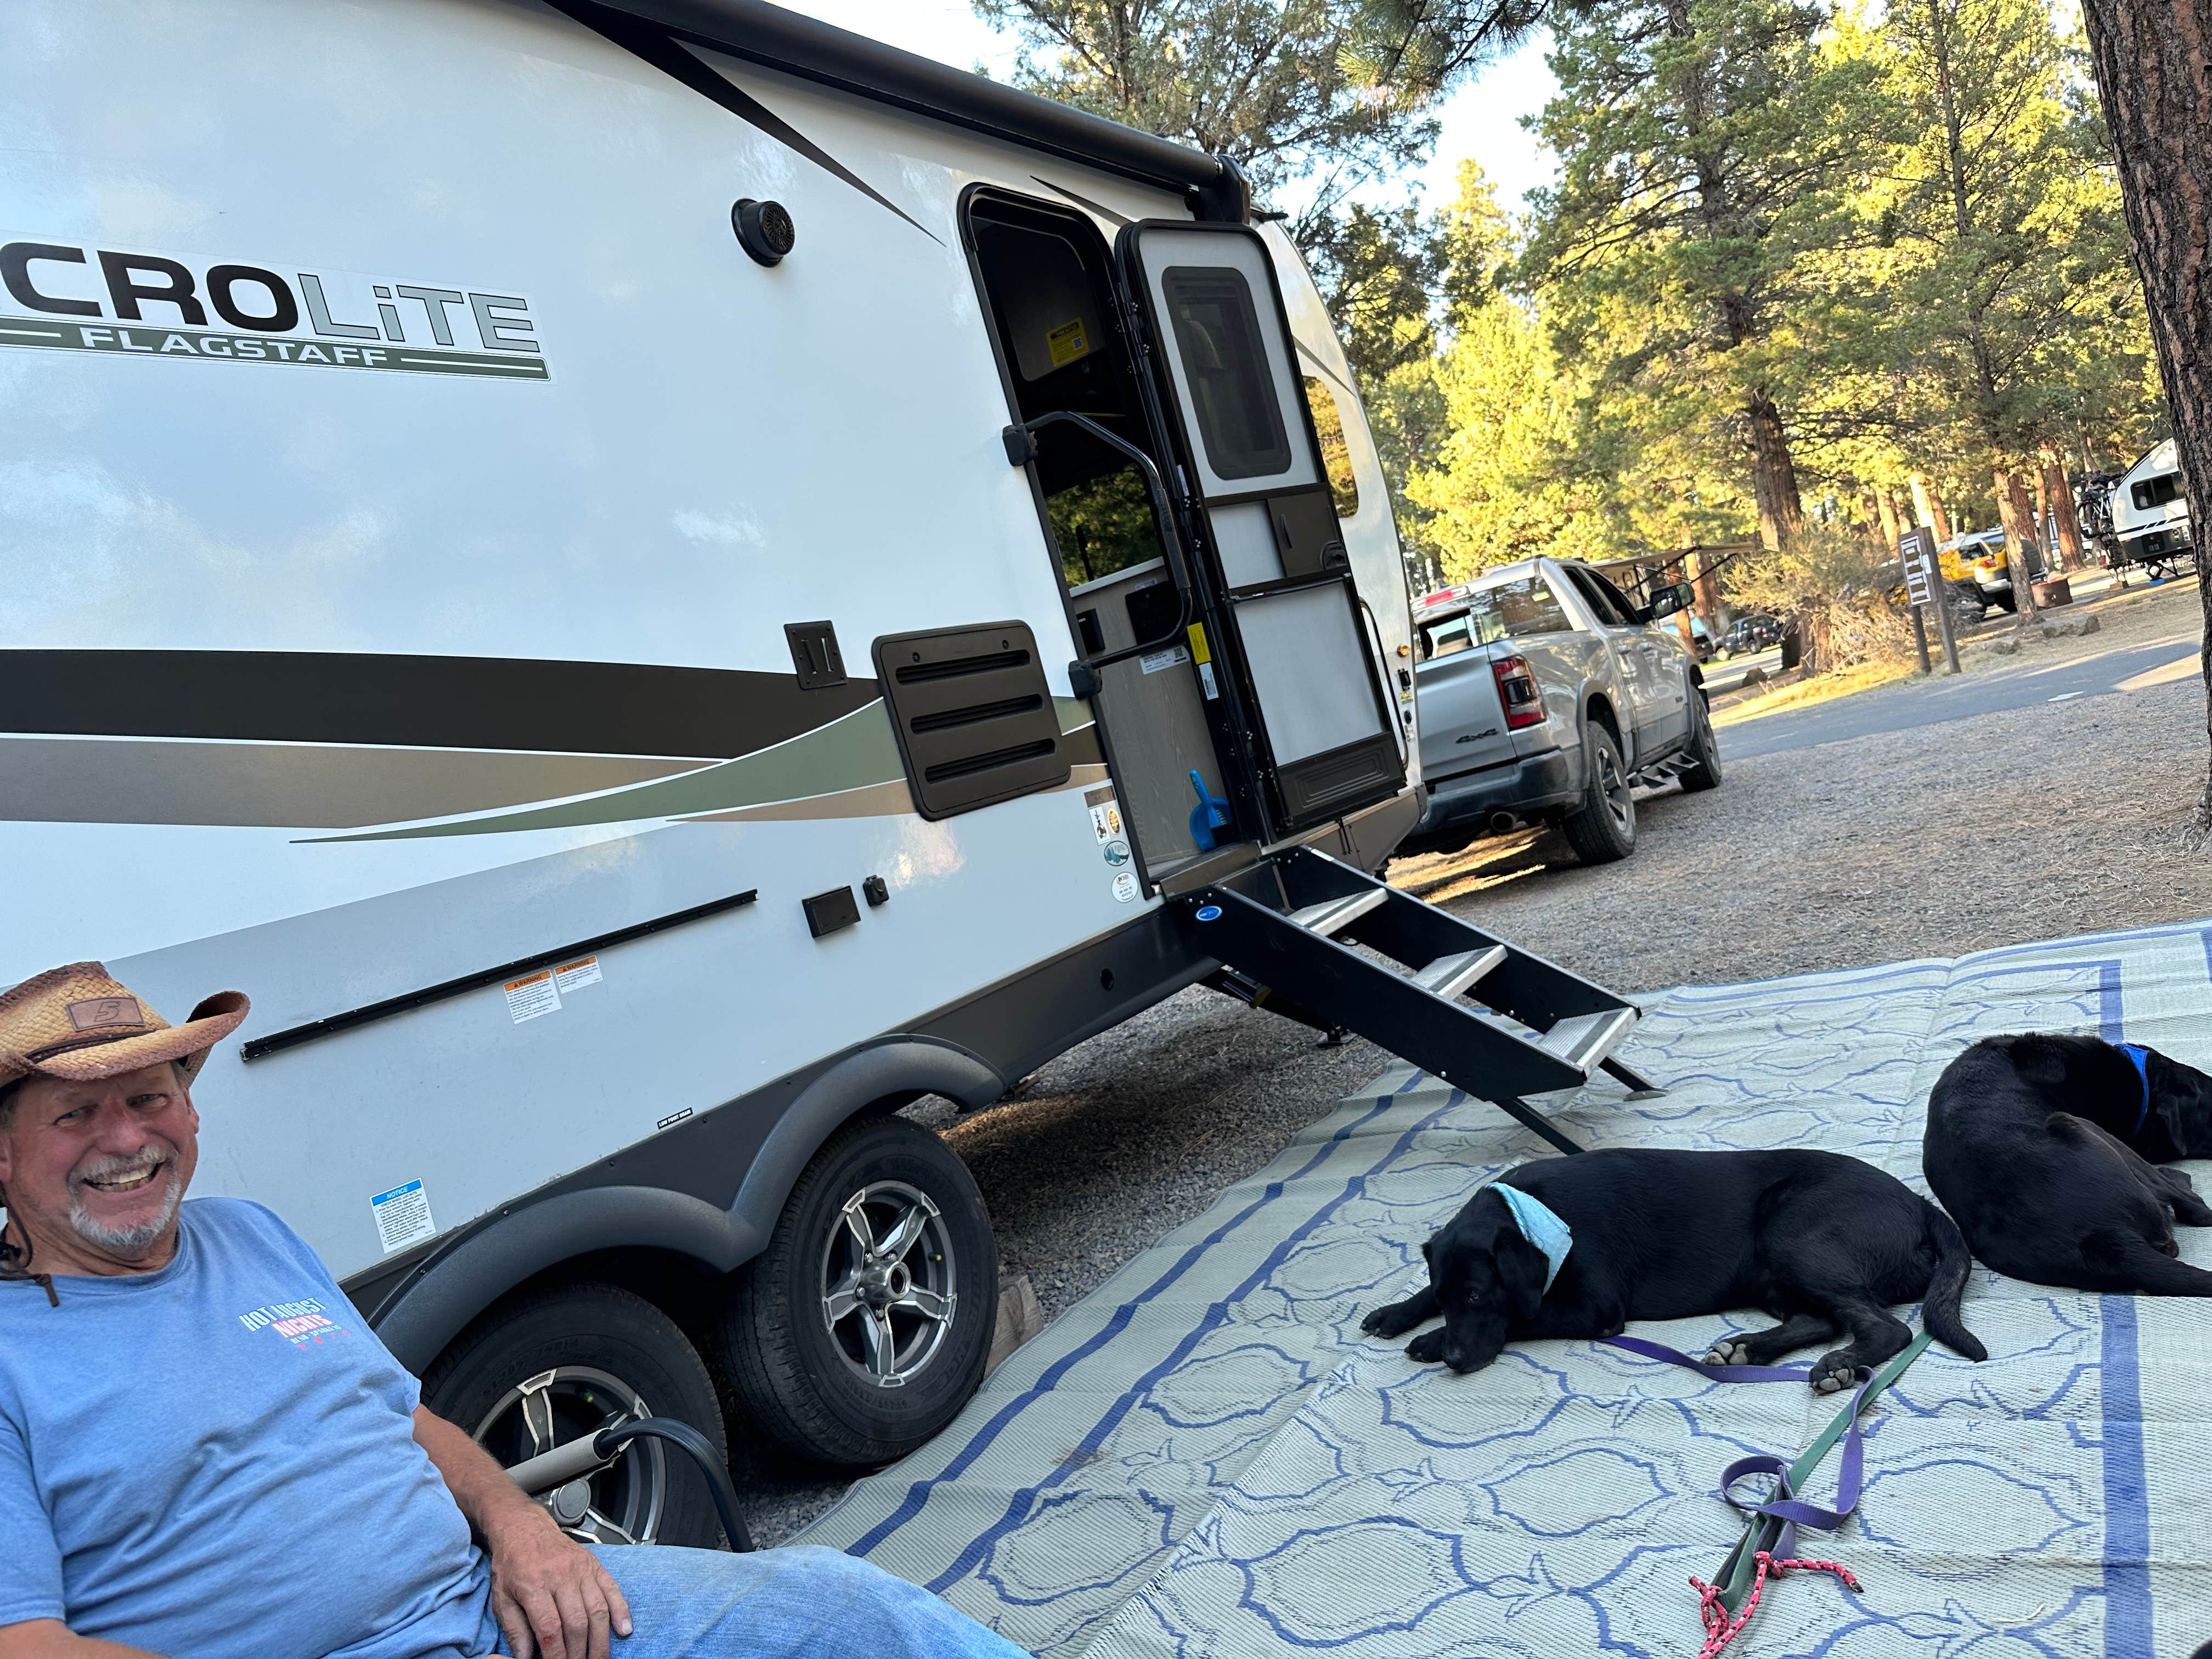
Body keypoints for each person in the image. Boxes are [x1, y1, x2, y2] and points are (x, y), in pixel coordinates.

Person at [0, 962, 1028, 1659]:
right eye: (76, 1113)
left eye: (149, 1098)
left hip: (490, 1605)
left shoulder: (247, 1236)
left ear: (189, 1109)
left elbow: (401, 1415)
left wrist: (520, 1528)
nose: (125, 1140)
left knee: (845, 1608)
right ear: (2, 1155)